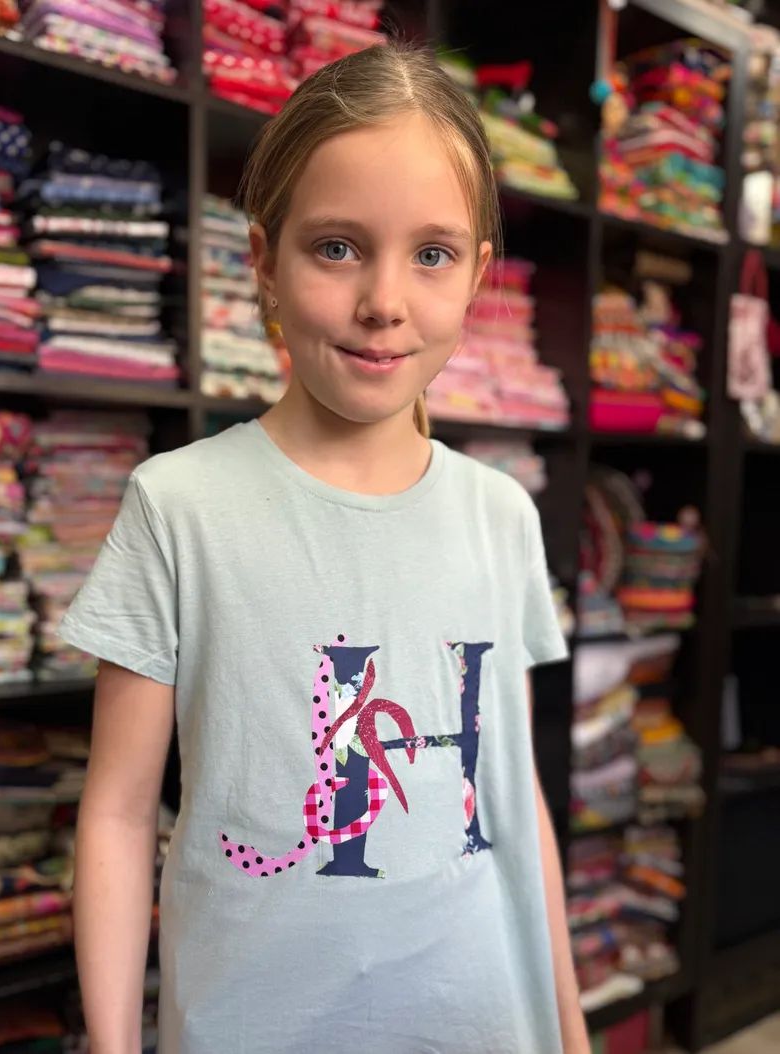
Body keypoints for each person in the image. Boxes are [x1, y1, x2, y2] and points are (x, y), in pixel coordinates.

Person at [60, 41, 588, 1054]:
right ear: (264, 259)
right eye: (337, 247)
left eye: (430, 254)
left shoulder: (501, 515)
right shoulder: (178, 508)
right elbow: (118, 815)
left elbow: (513, 797)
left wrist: (567, 1026)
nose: (384, 300)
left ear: (477, 275)